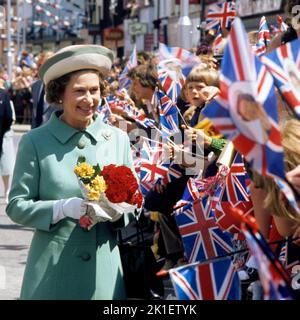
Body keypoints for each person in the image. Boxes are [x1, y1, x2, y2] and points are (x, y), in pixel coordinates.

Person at [6, 45, 136, 300]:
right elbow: (16, 206)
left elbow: (135, 201)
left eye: (94, 90)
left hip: (104, 273)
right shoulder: (35, 142)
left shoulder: (117, 139)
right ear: (59, 95)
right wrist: (61, 208)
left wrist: (115, 210)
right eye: (79, 91)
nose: (89, 99)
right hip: (52, 273)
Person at [31, 52, 59, 129]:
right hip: (36, 133)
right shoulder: (35, 86)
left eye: (42, 65)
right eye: (38, 65)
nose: (38, 68)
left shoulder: (62, 85)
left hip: (55, 133)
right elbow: (35, 113)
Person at [0, 87, 14, 202]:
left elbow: (9, 117)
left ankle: (7, 190)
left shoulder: (4, 94)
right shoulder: (4, 94)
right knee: (5, 163)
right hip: (4, 133)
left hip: (4, 134)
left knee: (5, 163)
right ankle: (6, 190)